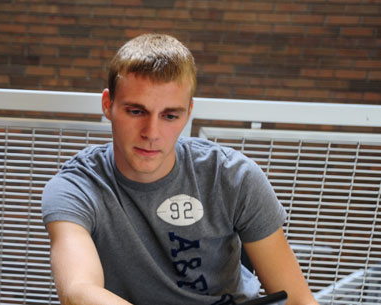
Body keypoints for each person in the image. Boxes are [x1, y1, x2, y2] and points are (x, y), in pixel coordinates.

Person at [41, 33, 317, 305]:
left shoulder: (233, 176)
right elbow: (77, 290)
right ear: (108, 105)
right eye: (136, 111)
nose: (152, 132)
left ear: (188, 112)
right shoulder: (75, 188)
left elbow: (298, 299)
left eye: (170, 116)